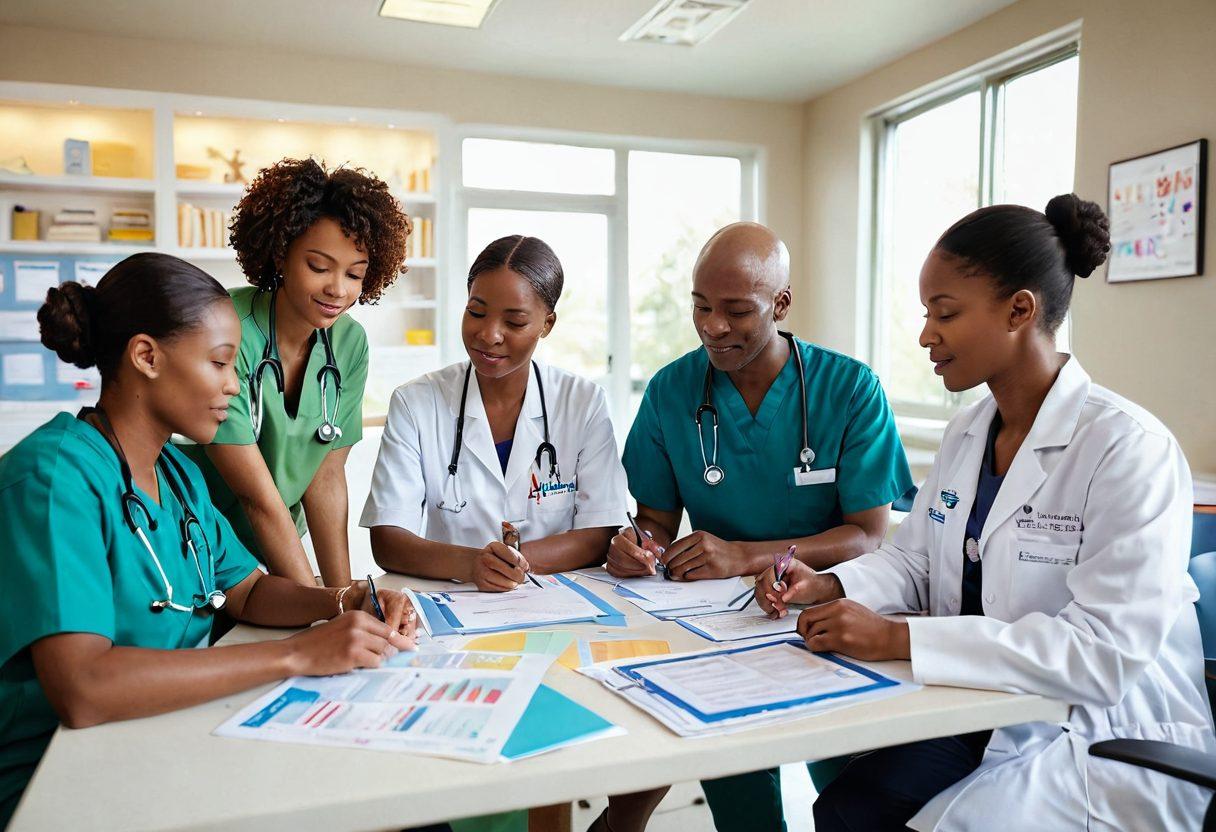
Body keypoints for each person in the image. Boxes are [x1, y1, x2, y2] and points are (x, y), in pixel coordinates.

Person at [757, 194, 1216, 831]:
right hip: (983, 704)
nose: (926, 335)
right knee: (847, 807)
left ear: (1019, 310)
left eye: (945, 313)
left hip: (1098, 733)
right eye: (926, 314)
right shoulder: (969, 432)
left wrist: (897, 637)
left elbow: (1101, 654)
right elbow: (914, 562)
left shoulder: (1129, 449)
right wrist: (829, 585)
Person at [0, 254, 416, 827]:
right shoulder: (54, 480)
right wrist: (298, 654)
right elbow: (84, 687)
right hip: (56, 776)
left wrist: (344, 601)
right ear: (146, 356)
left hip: (168, 738)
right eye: (220, 363)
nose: (234, 386)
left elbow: (247, 590)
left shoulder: (178, 474)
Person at [609, 222, 914, 830]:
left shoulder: (849, 389)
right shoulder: (671, 391)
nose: (713, 326)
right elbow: (656, 521)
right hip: (714, 628)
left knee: (848, 799)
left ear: (781, 303)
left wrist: (744, 555)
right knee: (741, 791)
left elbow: (867, 534)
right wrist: (639, 546)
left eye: (736, 310)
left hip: (824, 615)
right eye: (700, 306)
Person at [363, 235, 654, 832]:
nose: (489, 335)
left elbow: (600, 529)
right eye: (476, 312)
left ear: (547, 322)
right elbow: (388, 538)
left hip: (561, 619)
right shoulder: (417, 403)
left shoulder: (580, 401)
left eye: (515, 321)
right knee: (449, 764)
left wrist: (517, 561)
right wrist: (472, 564)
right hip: (450, 621)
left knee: (554, 758)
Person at [182, 158, 412, 587]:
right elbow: (255, 497)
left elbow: (325, 478)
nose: (337, 289)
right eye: (319, 267)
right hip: (199, 538)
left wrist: (339, 595)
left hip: (278, 544)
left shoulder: (349, 344)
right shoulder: (227, 327)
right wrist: (321, 604)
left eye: (354, 274)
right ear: (280, 253)